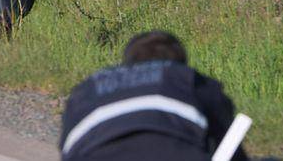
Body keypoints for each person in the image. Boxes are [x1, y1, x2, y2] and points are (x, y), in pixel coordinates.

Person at [60, 31, 250, 161]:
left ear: (127, 64)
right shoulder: (186, 79)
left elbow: (69, 150)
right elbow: (229, 146)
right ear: (178, 64)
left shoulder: (87, 89)